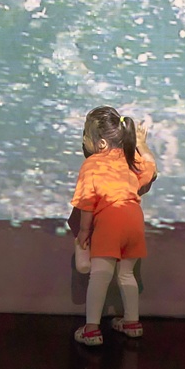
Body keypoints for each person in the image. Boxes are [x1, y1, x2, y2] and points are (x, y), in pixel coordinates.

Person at [70, 107, 157, 347]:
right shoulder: (131, 159)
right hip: (134, 219)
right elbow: (151, 169)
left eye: (85, 135)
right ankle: (132, 323)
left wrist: (84, 232)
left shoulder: (92, 164)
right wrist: (142, 144)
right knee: (127, 274)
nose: (83, 140)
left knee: (100, 275)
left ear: (100, 143)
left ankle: (91, 329)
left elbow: (87, 201)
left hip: (110, 221)